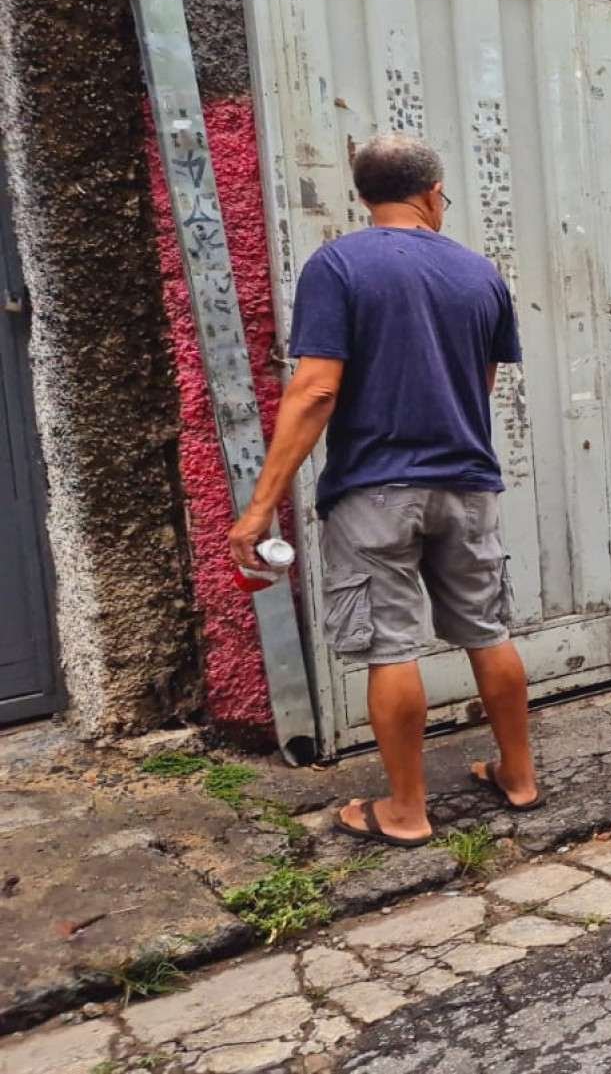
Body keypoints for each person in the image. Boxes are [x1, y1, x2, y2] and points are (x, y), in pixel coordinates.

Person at [228, 134, 538, 847]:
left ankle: (406, 810)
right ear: (433, 192)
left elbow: (315, 389)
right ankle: (519, 777)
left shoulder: (337, 265)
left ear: (364, 195)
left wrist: (259, 507)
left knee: (391, 646)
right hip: (467, 483)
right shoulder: (479, 273)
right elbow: (480, 387)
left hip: (374, 488)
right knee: (488, 631)